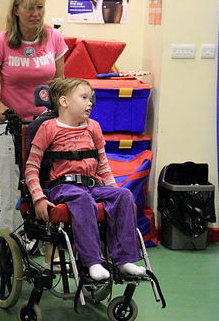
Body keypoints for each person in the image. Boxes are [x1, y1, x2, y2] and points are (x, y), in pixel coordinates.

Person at [0, 0, 68, 262]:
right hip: (11, 128)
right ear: (16, 10)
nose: (35, 13)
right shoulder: (1, 42)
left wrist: (63, 115)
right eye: (29, 7)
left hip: (45, 126)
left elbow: (61, 84)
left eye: (39, 7)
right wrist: (0, 107)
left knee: (45, 186)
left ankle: (44, 244)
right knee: (11, 188)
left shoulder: (54, 39)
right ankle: (10, 249)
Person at [25, 78, 146, 281]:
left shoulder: (93, 127)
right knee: (81, 198)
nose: (90, 103)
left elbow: (104, 165)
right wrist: (38, 198)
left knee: (124, 195)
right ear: (64, 102)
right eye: (84, 98)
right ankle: (93, 262)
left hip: (92, 185)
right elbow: (31, 167)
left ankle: (124, 260)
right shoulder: (48, 128)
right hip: (62, 187)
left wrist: (113, 190)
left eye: (90, 98)